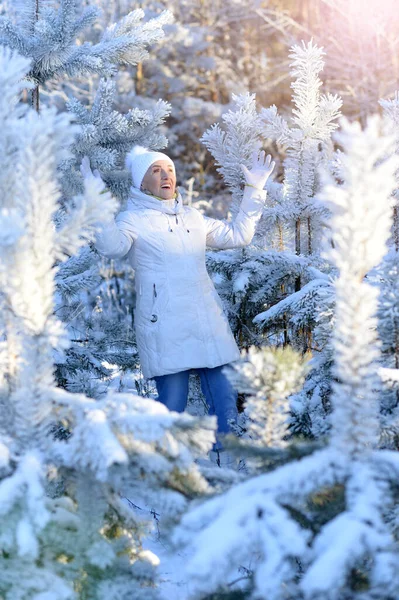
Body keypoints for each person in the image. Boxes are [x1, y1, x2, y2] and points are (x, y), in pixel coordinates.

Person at [82, 146, 275, 465]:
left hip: (205, 321)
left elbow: (240, 235)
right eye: (155, 171)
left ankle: (227, 472)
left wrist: (255, 189)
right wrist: (95, 202)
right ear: (141, 183)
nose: (165, 175)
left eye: (168, 169)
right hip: (165, 324)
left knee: (225, 403)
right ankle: (167, 476)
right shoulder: (133, 220)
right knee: (172, 406)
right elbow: (111, 246)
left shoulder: (192, 218)